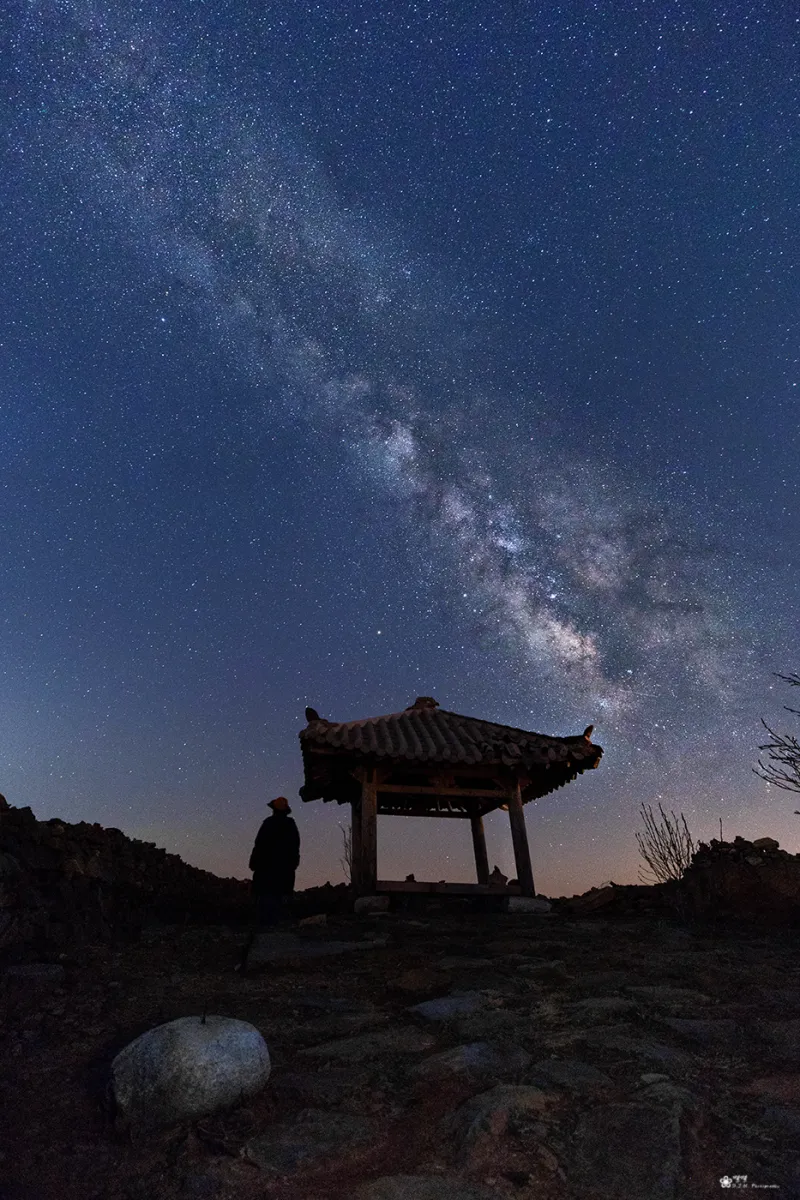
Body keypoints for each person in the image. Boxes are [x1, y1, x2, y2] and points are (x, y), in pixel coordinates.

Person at [248, 796, 300, 925]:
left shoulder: (268, 824)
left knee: (265, 899)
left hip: (266, 870)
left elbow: (259, 844)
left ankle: (265, 926)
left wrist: (254, 862)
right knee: (281, 899)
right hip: (284, 870)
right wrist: (293, 864)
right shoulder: (290, 825)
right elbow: (295, 847)